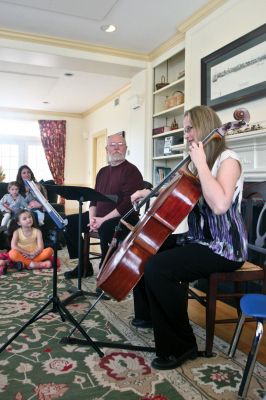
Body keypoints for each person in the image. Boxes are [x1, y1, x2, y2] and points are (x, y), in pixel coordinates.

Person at [130, 105, 248, 370]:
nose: (186, 135)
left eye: (189, 129)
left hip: (225, 247)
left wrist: (202, 164)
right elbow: (175, 193)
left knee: (159, 268)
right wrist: (146, 192)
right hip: (200, 240)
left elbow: (219, 205)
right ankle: (151, 316)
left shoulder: (228, 159)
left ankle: (182, 346)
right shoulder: (197, 165)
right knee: (147, 250)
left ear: (204, 127)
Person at [64, 133, 143, 280]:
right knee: (69, 223)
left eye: (120, 144)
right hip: (100, 217)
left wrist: (102, 220)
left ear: (126, 148)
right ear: (107, 149)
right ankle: (84, 265)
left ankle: (106, 272)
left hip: (124, 219)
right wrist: (92, 218)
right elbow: (93, 200)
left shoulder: (131, 171)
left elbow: (128, 204)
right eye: (112, 145)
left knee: (106, 227)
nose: (116, 148)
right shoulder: (102, 172)